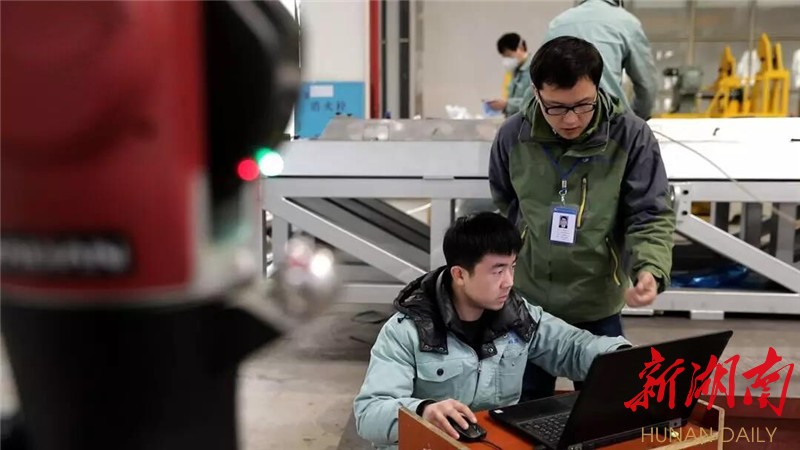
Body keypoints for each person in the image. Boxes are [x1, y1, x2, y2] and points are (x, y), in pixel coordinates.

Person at [488, 36, 675, 402]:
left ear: (599, 88)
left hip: (597, 301)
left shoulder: (630, 135)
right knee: (522, 409)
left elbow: (649, 212)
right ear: (536, 93)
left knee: (603, 411)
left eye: (583, 105)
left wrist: (650, 268)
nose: (571, 119)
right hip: (528, 304)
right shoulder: (513, 135)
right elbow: (506, 202)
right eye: (556, 107)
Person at [352, 212, 631, 449]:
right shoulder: (407, 330)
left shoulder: (518, 316)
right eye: (497, 271)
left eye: (512, 267)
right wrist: (423, 411)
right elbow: (369, 412)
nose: (509, 281)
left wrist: (624, 358)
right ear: (460, 275)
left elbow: (572, 346)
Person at [543, 0, 658, 120]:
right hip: (610, 119)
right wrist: (636, 120)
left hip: (563, 119)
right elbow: (647, 85)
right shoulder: (627, 23)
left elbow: (536, 81)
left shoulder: (558, 23)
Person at [486, 33, 532, 117]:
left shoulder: (533, 69)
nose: (507, 60)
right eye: (504, 56)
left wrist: (507, 104)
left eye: (509, 55)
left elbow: (533, 102)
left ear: (521, 48)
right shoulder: (515, 71)